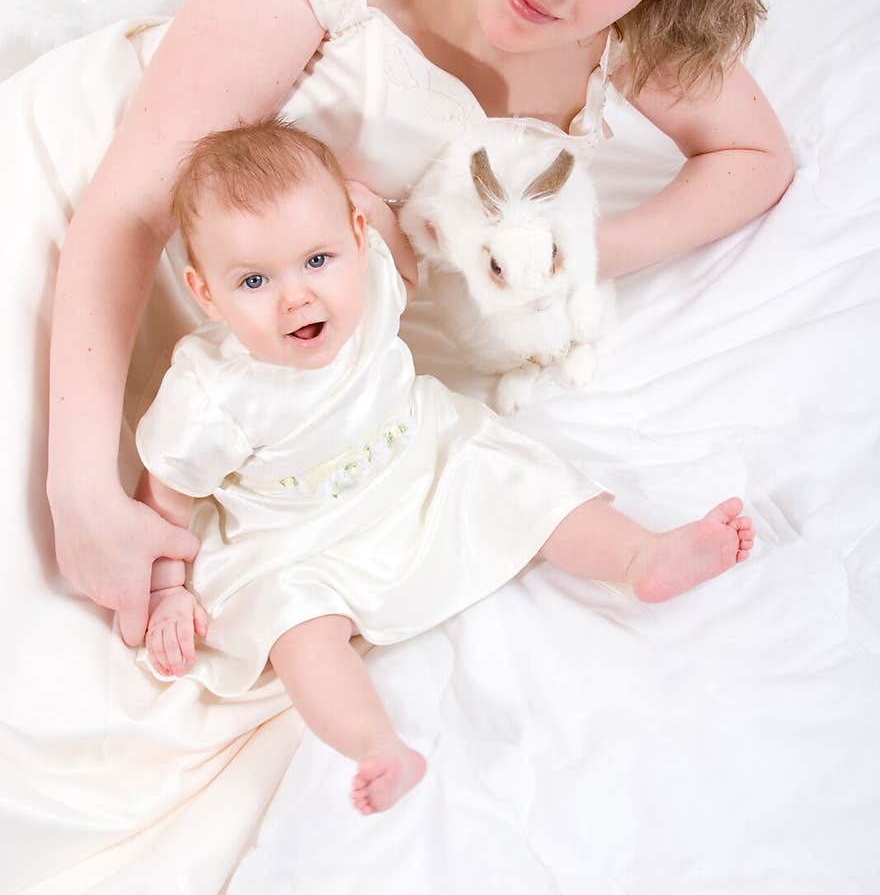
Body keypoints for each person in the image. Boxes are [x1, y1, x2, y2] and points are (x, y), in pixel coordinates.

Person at [46, 0, 792, 656]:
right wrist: (79, 490)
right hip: (109, 247)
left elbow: (757, 156)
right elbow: (126, 204)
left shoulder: (628, 31)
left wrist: (585, 256)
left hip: (312, 368)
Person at [136, 120, 753, 815]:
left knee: (516, 472)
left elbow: (406, 241)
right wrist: (167, 589)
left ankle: (640, 558)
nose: (297, 296)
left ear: (356, 239)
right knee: (294, 628)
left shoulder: (370, 277)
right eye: (253, 279)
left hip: (419, 456)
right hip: (296, 535)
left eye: (317, 260)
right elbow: (167, 488)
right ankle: (376, 744)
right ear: (205, 295)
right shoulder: (210, 393)